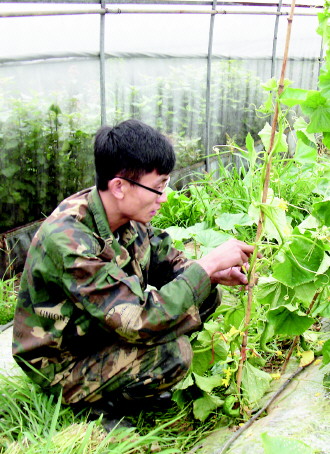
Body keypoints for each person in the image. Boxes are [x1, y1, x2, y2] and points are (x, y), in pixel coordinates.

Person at [12, 119, 256, 428]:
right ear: (119, 186)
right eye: (157, 188)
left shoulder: (125, 212)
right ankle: (93, 407)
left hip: (98, 331)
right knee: (173, 354)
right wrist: (204, 267)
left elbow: (164, 259)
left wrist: (213, 274)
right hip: (63, 361)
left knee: (206, 294)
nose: (163, 197)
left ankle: (127, 382)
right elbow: (137, 321)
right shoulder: (69, 240)